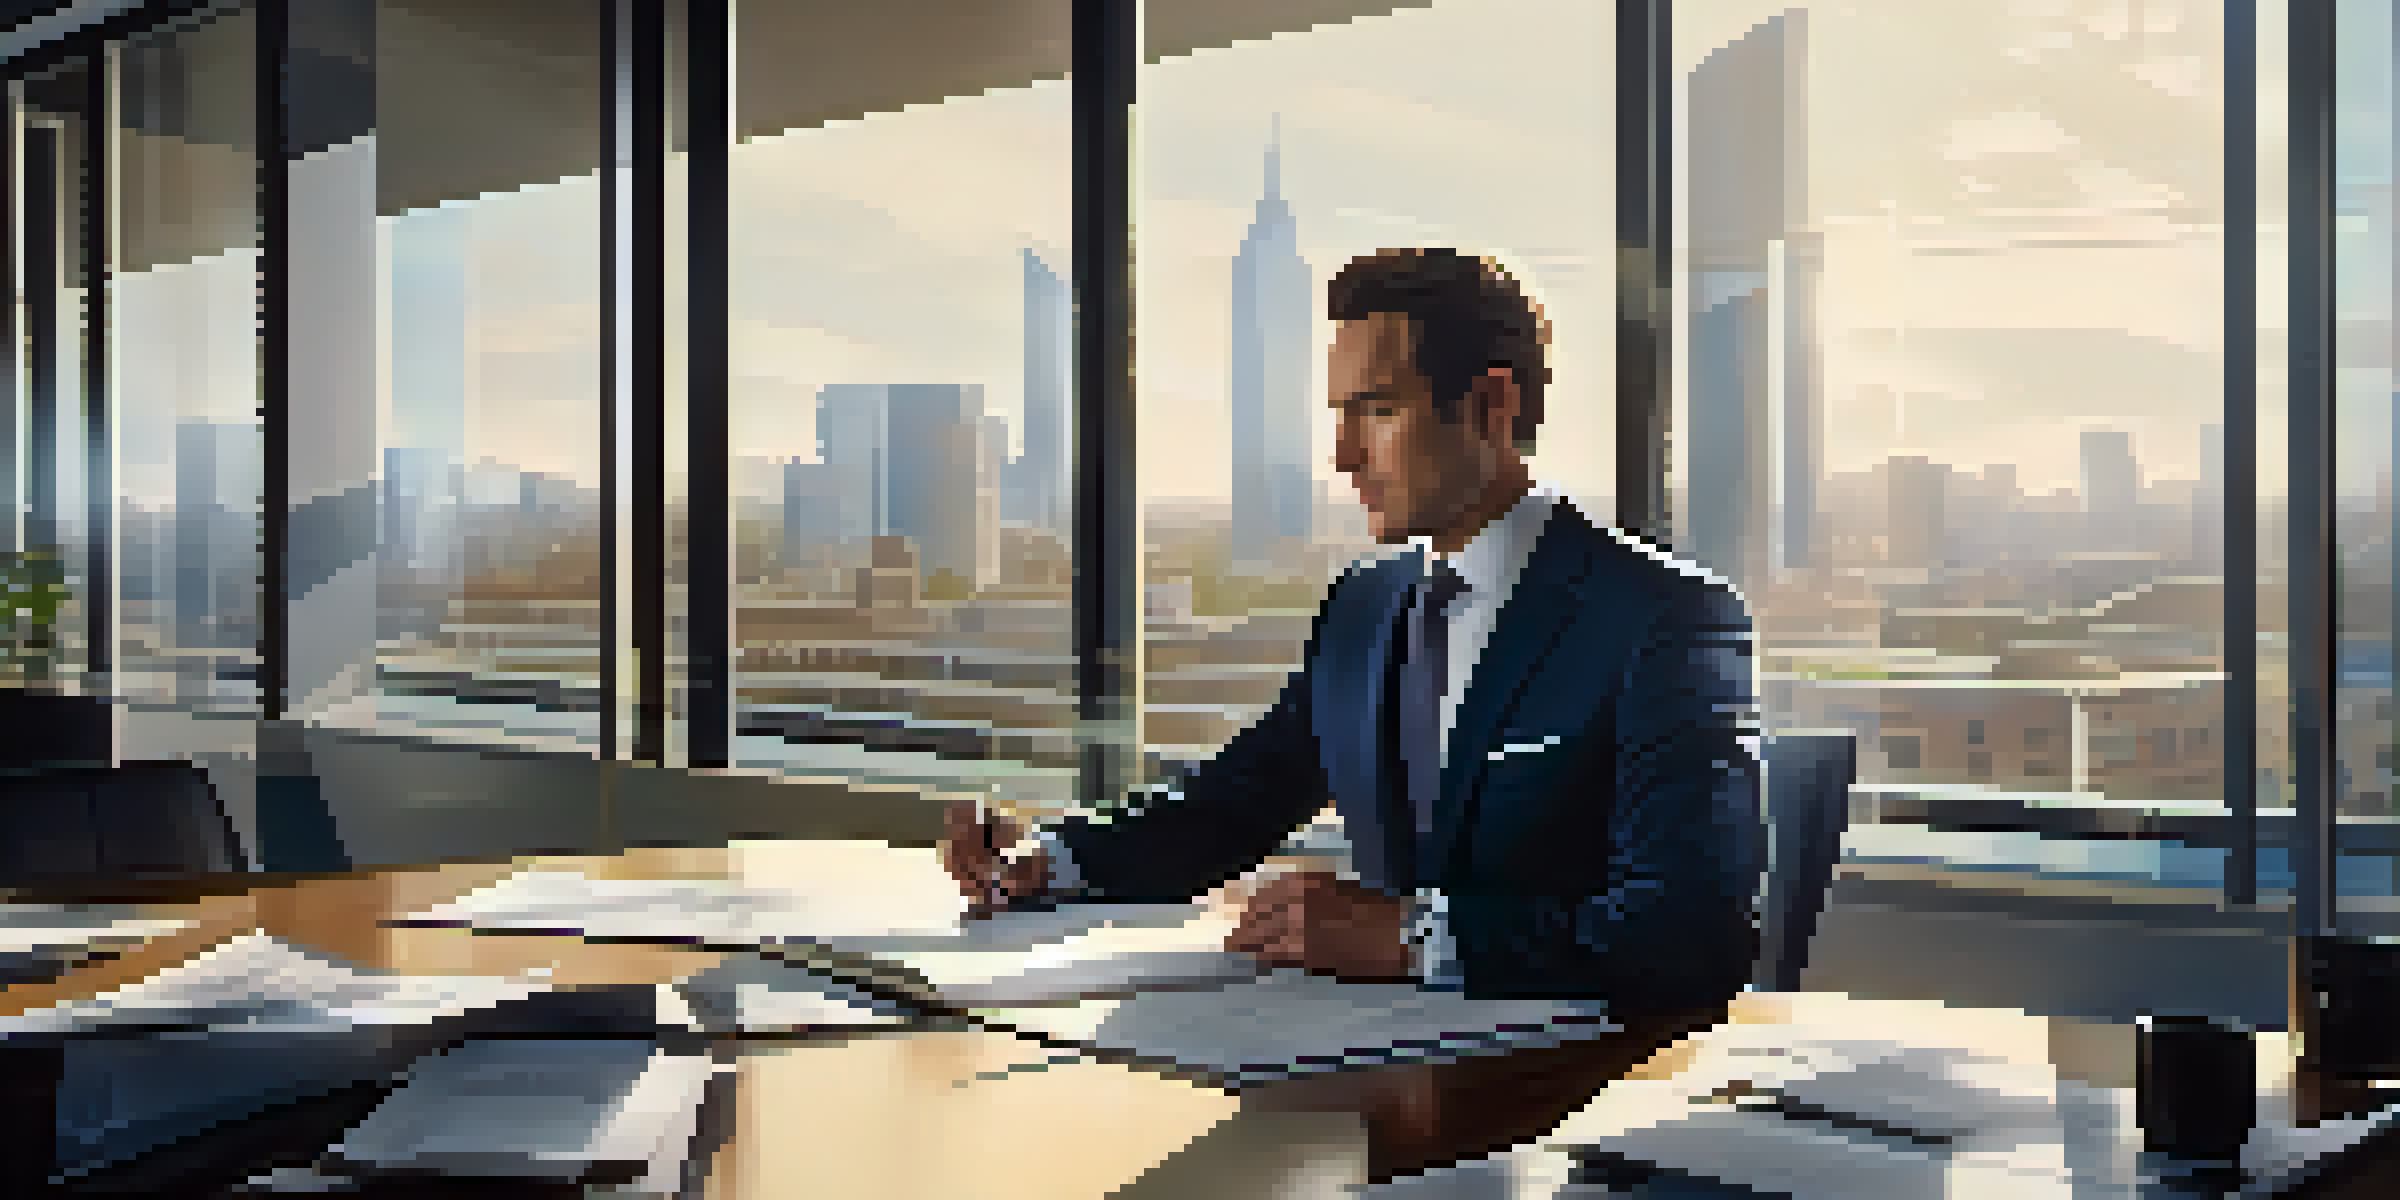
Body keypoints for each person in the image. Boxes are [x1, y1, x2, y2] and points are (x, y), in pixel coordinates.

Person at [942, 246, 1764, 1180]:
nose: (1341, 456)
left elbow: (1691, 934)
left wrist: (1415, 936)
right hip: (1379, 1101)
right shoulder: (1363, 608)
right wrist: (1050, 858)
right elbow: (1236, 799)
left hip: (1564, 1124)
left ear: (1493, 406)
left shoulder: (1661, 618)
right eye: (1339, 416)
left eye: (1376, 410)